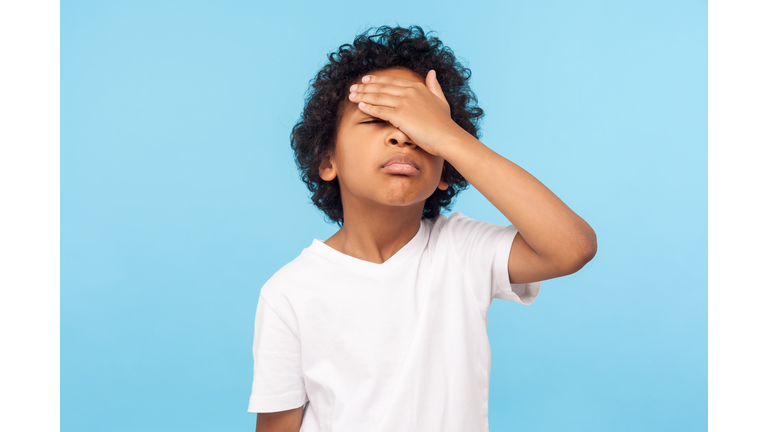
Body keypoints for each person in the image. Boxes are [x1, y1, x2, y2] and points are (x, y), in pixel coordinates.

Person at [248, 25, 597, 432]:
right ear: (328, 160)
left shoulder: (462, 250)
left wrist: (449, 136)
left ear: (447, 168)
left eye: (419, 126)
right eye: (378, 120)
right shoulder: (289, 292)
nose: (403, 136)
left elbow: (572, 246)